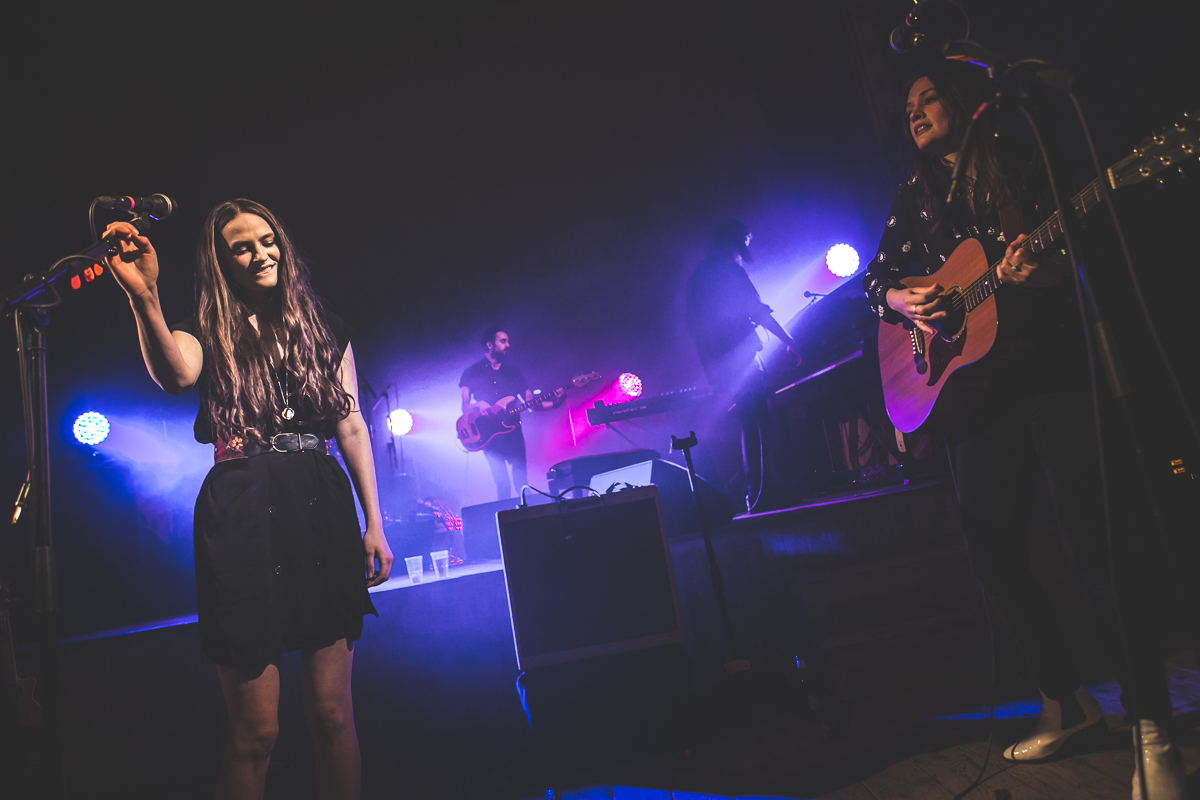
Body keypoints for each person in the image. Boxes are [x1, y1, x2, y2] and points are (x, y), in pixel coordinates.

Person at [865, 62, 1185, 799]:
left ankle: (1151, 731)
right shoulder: (914, 197)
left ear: (963, 104)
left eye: (929, 97)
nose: (915, 111)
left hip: (1049, 372)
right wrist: (906, 301)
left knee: (1093, 546)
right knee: (993, 553)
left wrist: (1039, 267)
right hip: (979, 395)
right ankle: (1064, 702)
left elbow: (1073, 251)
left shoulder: (1017, 155)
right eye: (907, 105)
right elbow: (875, 278)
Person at [102, 199, 394, 800]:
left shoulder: (325, 326)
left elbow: (353, 425)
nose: (261, 253)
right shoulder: (206, 330)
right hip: (240, 511)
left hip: (318, 503)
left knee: (332, 714)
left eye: (267, 240)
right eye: (242, 245)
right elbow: (177, 375)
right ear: (222, 260)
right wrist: (144, 297)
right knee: (255, 733)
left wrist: (376, 523)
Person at [685, 220, 801, 513]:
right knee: (756, 421)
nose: (748, 246)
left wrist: (710, 369)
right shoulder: (730, 272)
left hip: (721, 361)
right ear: (735, 241)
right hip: (741, 358)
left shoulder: (700, 275)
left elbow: (695, 327)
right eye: (746, 240)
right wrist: (789, 340)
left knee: (753, 421)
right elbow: (757, 311)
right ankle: (762, 494)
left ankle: (761, 492)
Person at [460, 329, 563, 500]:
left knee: (522, 482)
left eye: (507, 341)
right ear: (489, 344)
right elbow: (464, 408)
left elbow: (532, 404)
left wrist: (555, 403)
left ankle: (528, 516)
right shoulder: (472, 372)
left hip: (513, 433)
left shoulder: (514, 373)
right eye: (503, 341)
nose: (508, 345)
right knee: (502, 484)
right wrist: (478, 404)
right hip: (489, 436)